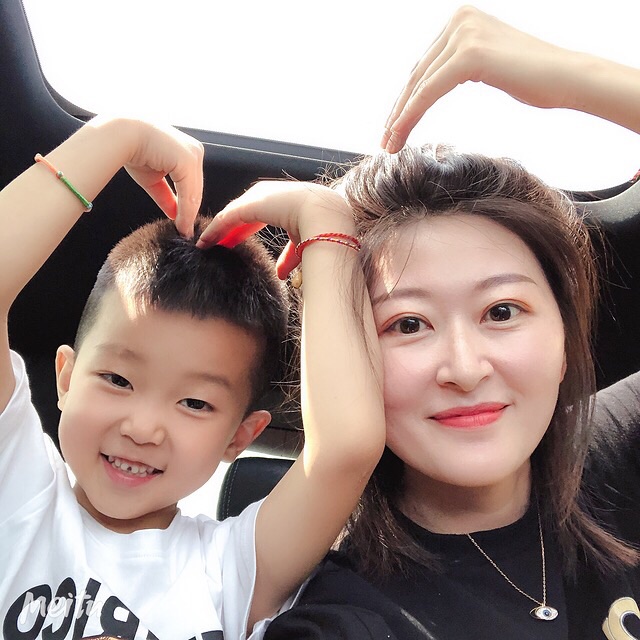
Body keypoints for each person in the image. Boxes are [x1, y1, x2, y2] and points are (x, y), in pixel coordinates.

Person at [236, 6, 640, 640]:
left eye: (501, 312)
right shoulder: (348, 617)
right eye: (407, 325)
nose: (464, 368)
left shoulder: (618, 463)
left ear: (565, 336)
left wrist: (576, 78)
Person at [0, 116, 386, 639]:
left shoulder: (229, 569)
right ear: (65, 378)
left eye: (195, 403)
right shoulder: (19, 494)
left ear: (239, 437)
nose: (142, 428)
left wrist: (327, 224)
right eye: (117, 379)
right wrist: (116, 136)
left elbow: (346, 449)